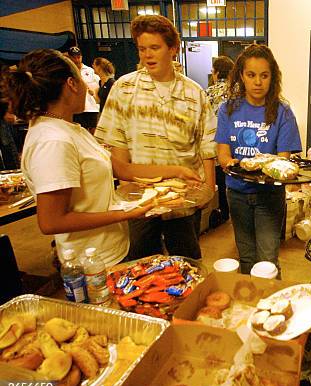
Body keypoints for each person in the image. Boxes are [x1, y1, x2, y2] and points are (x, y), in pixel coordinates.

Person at [0, 49, 195, 266]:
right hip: (91, 262)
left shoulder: (71, 129)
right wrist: (126, 213)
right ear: (72, 84)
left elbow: (123, 169)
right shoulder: (53, 141)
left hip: (111, 250)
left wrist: (177, 171)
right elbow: (51, 221)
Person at [95, 15, 217, 260]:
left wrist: (207, 191)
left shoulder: (194, 93)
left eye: (154, 48)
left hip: (182, 199)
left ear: (173, 49)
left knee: (187, 263)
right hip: (139, 200)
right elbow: (116, 144)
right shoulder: (124, 88)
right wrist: (126, 189)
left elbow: (206, 145)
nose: (147, 55)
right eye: (142, 49)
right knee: (141, 264)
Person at [215, 44, 301, 275]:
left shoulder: (282, 111)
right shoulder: (228, 109)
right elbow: (222, 150)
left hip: (269, 196)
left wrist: (262, 167)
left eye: (264, 75)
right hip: (236, 193)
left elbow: (282, 159)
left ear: (272, 77)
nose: (257, 82)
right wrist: (227, 162)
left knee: (267, 260)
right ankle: (250, 306)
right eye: (251, 75)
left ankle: (271, 307)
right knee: (246, 257)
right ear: (241, 75)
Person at [206, 55, 235, 225]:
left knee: (217, 180)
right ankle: (232, 210)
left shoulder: (207, 92)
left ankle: (221, 212)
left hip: (212, 143)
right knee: (231, 177)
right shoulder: (238, 92)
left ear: (216, 73)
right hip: (233, 142)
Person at [66, 46, 99, 131]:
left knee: (93, 132)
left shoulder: (89, 70)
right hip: (76, 108)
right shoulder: (67, 72)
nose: (77, 59)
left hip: (91, 107)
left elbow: (97, 86)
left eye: (78, 57)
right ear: (70, 58)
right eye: (74, 57)